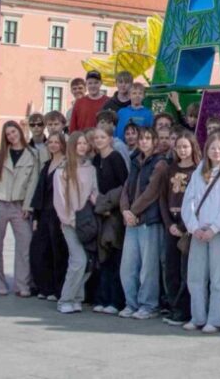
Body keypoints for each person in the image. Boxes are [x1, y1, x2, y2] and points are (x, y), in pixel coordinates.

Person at [0, 119, 40, 297]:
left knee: (25, 243)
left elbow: (33, 182)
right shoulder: (0, 155)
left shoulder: (32, 154)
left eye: (14, 132)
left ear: (20, 132)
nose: (12, 136)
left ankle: (22, 284)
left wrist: (28, 206)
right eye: (8, 134)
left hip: (19, 204)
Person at [183, 131, 220, 334]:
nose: (216, 152)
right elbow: (189, 201)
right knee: (196, 276)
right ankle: (198, 316)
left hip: (217, 233)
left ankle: (216, 318)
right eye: (212, 148)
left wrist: (214, 228)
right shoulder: (198, 172)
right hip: (198, 232)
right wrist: (194, 227)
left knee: (218, 277)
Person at [119, 126, 168, 319]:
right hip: (131, 221)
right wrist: (125, 210)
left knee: (148, 267)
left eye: (148, 138)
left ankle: (149, 305)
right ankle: (131, 303)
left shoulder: (160, 163)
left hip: (148, 220)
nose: (144, 141)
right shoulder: (134, 161)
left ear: (154, 141)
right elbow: (125, 188)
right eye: (141, 138)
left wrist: (133, 211)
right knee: (128, 265)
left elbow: (151, 192)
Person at [53, 130, 98, 314]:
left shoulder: (91, 168)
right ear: (72, 145)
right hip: (70, 222)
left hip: (87, 221)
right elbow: (59, 198)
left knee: (87, 260)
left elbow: (94, 192)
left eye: (84, 143)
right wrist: (69, 219)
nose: (82, 146)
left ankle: (77, 297)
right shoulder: (63, 169)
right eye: (78, 143)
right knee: (78, 259)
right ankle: (65, 299)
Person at [161, 130, 201, 326]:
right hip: (171, 223)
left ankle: (184, 309)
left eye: (186, 146)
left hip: (187, 226)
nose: (182, 150)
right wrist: (169, 224)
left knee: (186, 268)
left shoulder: (197, 171)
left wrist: (184, 225)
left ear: (192, 147)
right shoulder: (170, 169)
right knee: (170, 267)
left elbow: (197, 201)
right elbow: (162, 198)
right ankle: (173, 306)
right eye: (179, 147)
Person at [92, 124, 129, 314]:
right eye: (96, 138)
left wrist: (110, 207)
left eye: (102, 137)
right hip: (100, 211)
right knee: (102, 256)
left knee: (114, 255)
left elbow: (125, 186)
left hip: (113, 213)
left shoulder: (116, 158)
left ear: (110, 139)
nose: (99, 141)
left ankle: (115, 301)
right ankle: (102, 298)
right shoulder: (96, 159)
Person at [29, 130, 68, 303]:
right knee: (39, 251)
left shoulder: (66, 164)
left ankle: (56, 289)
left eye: (56, 142)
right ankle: (44, 287)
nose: (53, 145)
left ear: (62, 144)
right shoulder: (47, 164)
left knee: (57, 252)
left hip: (58, 214)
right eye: (50, 142)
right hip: (44, 212)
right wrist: (36, 216)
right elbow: (40, 191)